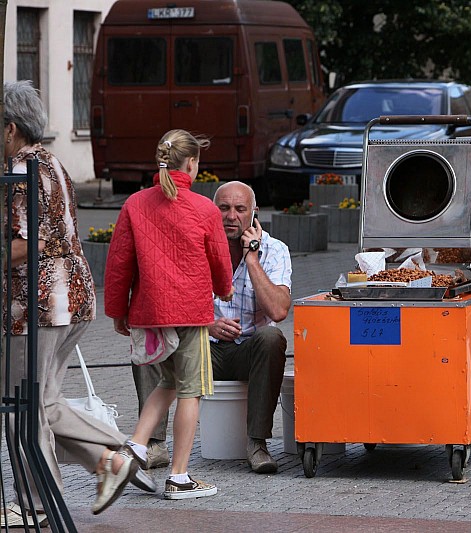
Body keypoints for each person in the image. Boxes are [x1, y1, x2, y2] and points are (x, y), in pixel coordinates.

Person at [2, 79, 139, 522]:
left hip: (37, 306)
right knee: (43, 403)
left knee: (20, 407)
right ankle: (113, 459)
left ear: (10, 128)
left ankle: (39, 504)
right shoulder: (53, 162)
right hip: (72, 300)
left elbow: (26, 244)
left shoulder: (19, 171)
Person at [105, 129, 233, 499]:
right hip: (191, 312)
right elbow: (220, 261)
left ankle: (135, 447)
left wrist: (117, 310)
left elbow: (118, 264)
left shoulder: (135, 204)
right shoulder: (205, 208)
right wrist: (224, 289)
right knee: (190, 391)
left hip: (149, 312)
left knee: (168, 383)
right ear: (191, 164)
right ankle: (179, 476)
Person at [133, 180, 291, 474]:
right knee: (153, 340)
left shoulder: (275, 249)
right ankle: (153, 444)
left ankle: (257, 444)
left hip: (249, 352)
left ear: (254, 213)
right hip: (201, 346)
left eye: (240, 209)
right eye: (224, 208)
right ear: (211, 210)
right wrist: (206, 324)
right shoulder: (194, 243)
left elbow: (279, 310)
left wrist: (251, 258)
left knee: (272, 337)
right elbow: (169, 302)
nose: (232, 216)